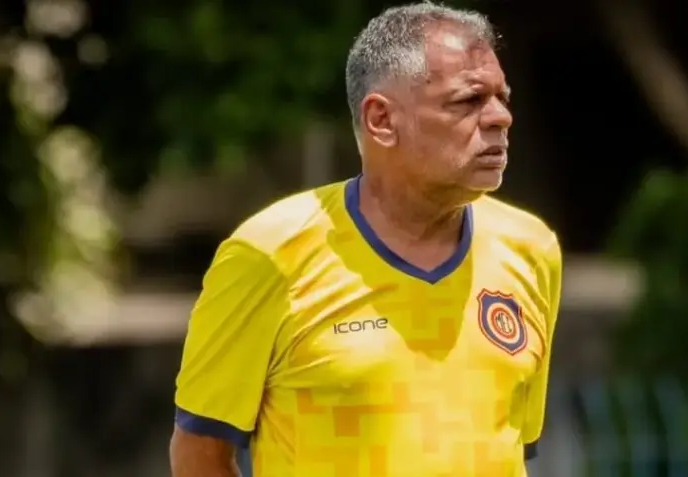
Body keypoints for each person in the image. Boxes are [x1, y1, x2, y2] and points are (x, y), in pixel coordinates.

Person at [169, 3, 563, 476]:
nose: (500, 118)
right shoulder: (269, 254)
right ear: (381, 119)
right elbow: (199, 455)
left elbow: (510, 446)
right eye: (468, 101)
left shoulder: (531, 248)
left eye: (503, 97)